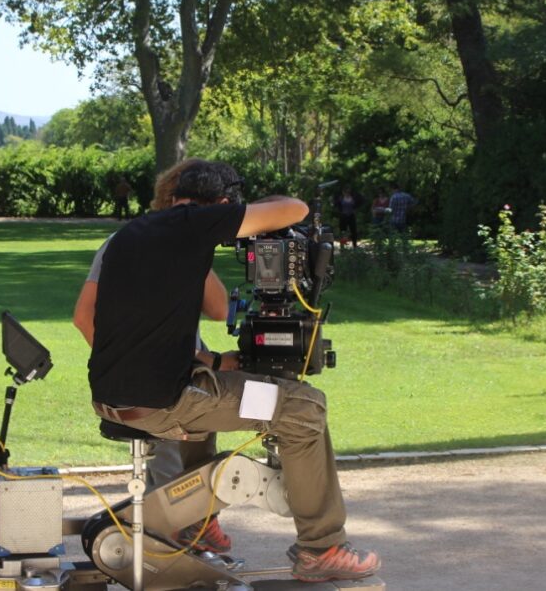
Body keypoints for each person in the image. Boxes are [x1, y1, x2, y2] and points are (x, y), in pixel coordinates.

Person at [87, 159, 381, 583]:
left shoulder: (135, 233)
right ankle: (322, 547)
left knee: (225, 390)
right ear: (221, 205)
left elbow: (149, 334)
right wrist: (248, 210)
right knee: (305, 407)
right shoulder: (194, 225)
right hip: (165, 403)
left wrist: (218, 363)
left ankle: (195, 519)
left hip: (116, 397)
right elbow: (297, 209)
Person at [74, 159, 233, 553]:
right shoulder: (122, 243)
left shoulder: (184, 246)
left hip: (181, 372)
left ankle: (200, 521)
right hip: (155, 385)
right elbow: (83, 317)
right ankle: (170, 544)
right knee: (171, 470)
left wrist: (195, 246)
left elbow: (218, 309)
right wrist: (135, 365)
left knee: (203, 426)